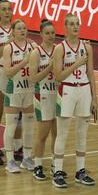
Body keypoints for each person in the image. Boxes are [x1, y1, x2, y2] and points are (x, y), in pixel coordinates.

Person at [52, 13, 97, 188]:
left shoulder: (87, 48)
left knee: (82, 133)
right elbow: (58, 76)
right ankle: (58, 171)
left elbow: (91, 73)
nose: (76, 26)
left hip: (84, 89)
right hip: (67, 89)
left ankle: (80, 170)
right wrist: (76, 64)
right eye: (72, 24)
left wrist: (95, 98)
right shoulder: (60, 49)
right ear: (66, 27)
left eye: (77, 23)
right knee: (62, 132)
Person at [0, 0, 22, 165]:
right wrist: (9, 42)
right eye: (4, 9)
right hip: (0, 72)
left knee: (18, 113)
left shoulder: (19, 27)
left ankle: (18, 147)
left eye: (10, 9)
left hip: (16, 74)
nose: (8, 12)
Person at [2, 19, 37, 173]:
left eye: (24, 28)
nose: (22, 31)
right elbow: (8, 72)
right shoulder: (8, 48)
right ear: (13, 31)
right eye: (19, 28)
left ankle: (27, 159)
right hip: (14, 90)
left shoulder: (33, 46)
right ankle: (10, 161)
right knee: (11, 126)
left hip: (29, 88)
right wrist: (25, 61)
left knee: (29, 127)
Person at [29, 19, 58, 180]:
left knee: (57, 133)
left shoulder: (59, 50)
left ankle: (56, 165)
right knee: (43, 134)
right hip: (43, 95)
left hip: (58, 94)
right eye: (47, 33)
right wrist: (50, 67)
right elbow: (34, 78)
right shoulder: (36, 53)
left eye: (53, 33)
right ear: (41, 34)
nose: (51, 36)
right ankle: (37, 166)